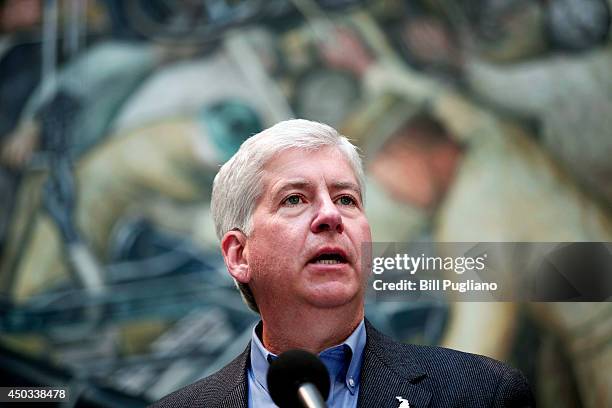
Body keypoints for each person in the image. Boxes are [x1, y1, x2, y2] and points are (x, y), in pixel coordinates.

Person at [151, 119, 534, 407]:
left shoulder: (483, 393)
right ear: (238, 254)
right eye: (295, 199)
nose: (330, 216)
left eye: (346, 199)